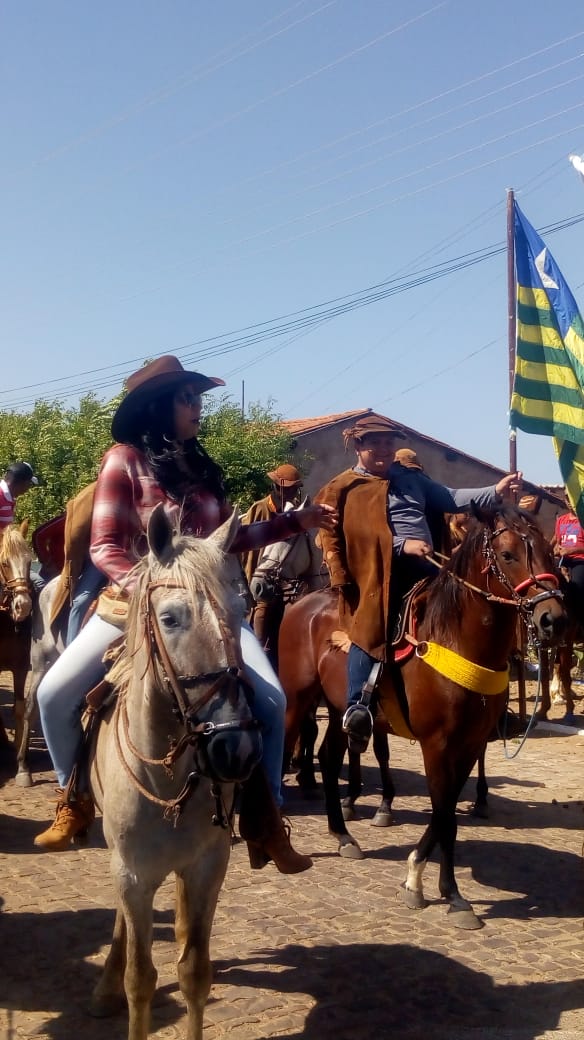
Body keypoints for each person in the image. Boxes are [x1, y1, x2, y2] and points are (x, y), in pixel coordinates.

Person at [34, 356, 336, 868]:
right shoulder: (123, 461)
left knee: (270, 699)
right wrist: (154, 588)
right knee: (52, 693)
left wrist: (295, 522)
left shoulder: (202, 466)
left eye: (198, 398)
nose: (197, 407)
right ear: (158, 406)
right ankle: (73, 799)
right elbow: (106, 547)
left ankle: (266, 821)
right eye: (187, 398)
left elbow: (231, 541)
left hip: (213, 609)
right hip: (131, 607)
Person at [315, 414, 522, 752]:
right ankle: (358, 707)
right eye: (375, 443)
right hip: (378, 577)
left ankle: (488, 704)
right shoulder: (344, 487)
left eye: (388, 442)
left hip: (428, 569)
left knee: (474, 612)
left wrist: (495, 490)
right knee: (371, 631)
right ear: (358, 446)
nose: (384, 449)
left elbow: (451, 497)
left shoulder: (411, 478)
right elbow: (354, 538)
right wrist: (402, 545)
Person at [241, 463, 304, 668]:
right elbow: (246, 547)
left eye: (293, 489)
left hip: (285, 575)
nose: (288, 493)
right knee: (262, 608)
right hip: (261, 574)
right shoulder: (259, 508)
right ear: (276, 487)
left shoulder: (296, 510)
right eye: (285, 489)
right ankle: (256, 656)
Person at [0, 461, 45, 592]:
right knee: (38, 583)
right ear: (21, 482)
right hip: (4, 559)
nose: (27, 489)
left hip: (7, 557)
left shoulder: (8, 497)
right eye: (29, 484)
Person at [551, 505, 584, 621]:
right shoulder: (561, 520)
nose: (569, 501)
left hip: (580, 560)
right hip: (563, 560)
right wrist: (551, 550)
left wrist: (572, 550)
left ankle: (579, 623)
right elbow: (556, 540)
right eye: (566, 497)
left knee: (577, 586)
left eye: (571, 496)